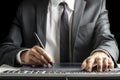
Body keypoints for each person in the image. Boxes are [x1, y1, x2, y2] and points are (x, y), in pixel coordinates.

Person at [0, 0, 119, 72]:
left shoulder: (96, 4)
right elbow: (5, 49)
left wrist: (102, 53)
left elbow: (107, 40)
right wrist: (24, 55)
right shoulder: (26, 7)